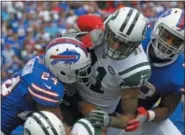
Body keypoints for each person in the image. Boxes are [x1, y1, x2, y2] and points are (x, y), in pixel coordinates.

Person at [62, 7, 151, 134]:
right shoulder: (107, 27)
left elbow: (129, 118)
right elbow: (81, 21)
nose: (115, 46)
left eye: (124, 44)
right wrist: (98, 27)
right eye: (114, 38)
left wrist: (109, 121)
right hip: (69, 87)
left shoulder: (136, 69)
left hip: (95, 111)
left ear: (136, 44)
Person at [114, 8, 184, 135]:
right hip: (106, 103)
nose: (168, 44)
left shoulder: (179, 72)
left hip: (138, 115)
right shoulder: (136, 36)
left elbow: (167, 107)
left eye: (177, 41)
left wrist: (149, 115)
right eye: (167, 36)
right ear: (157, 27)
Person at [1, 37, 92, 135]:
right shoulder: (47, 87)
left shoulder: (41, 61)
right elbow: (56, 126)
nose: (82, 73)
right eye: (78, 71)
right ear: (63, 68)